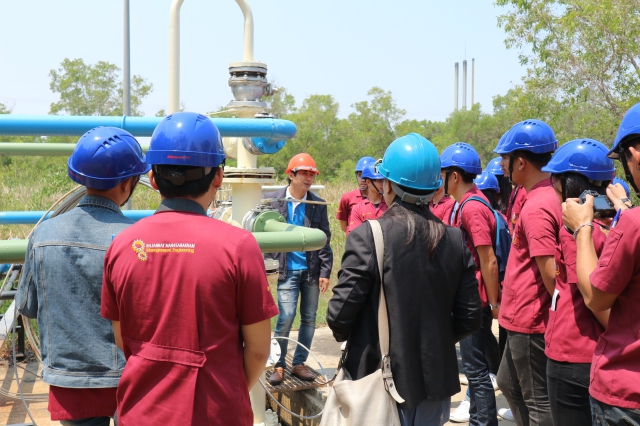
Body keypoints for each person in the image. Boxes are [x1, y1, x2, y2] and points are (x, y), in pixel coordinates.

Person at [101, 112, 278, 425]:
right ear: (219, 176)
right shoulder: (239, 246)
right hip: (216, 415)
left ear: (153, 178)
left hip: (141, 412)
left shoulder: (122, 245)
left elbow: (121, 337)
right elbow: (258, 350)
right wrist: (227, 389)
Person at [327, 133, 482, 426]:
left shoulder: (368, 236)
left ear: (387, 184)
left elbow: (338, 316)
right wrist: (433, 339)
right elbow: (471, 317)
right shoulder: (453, 240)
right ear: (436, 186)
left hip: (378, 383)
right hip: (434, 384)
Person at [16, 127, 150, 426]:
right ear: (127, 183)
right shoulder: (137, 239)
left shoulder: (43, 233)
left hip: (70, 379)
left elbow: (28, 306)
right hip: (129, 376)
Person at [562, 102, 640, 425]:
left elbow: (596, 296)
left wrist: (582, 227)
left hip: (626, 392)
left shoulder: (633, 226)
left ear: (634, 155)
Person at [539, 138, 615, 425]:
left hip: (573, 353)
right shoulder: (611, 224)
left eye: (555, 179)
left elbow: (592, 297)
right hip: (593, 352)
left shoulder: (576, 232)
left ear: (569, 183)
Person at [493, 119, 559, 426]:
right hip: (521, 316)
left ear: (521, 162)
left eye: (505, 158)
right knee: (507, 383)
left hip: (531, 320)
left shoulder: (538, 206)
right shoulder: (539, 195)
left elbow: (552, 275)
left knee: (538, 401)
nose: (501, 164)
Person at [441, 142, 499, 426]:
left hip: (474, 299)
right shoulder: (465, 202)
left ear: (454, 176)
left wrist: (493, 302)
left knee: (476, 372)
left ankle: (483, 422)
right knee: (476, 369)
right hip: (470, 297)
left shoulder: (472, 207)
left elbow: (488, 259)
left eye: (443, 173)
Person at [264, 153, 333, 385]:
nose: (309, 178)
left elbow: (324, 239)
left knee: (309, 318)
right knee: (286, 317)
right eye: (304, 173)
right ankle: (279, 364)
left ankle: (299, 363)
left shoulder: (317, 204)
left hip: (311, 271)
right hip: (286, 270)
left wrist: (325, 272)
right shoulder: (273, 201)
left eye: (312, 174)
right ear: (291, 175)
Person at [336, 156, 375, 233]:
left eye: (366, 176)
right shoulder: (347, 198)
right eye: (360, 175)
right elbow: (344, 227)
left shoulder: (382, 200)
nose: (363, 179)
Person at [347, 162, 388, 233]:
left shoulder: (391, 205)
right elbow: (356, 235)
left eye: (384, 180)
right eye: (379, 181)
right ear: (368, 182)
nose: (382, 184)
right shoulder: (358, 209)